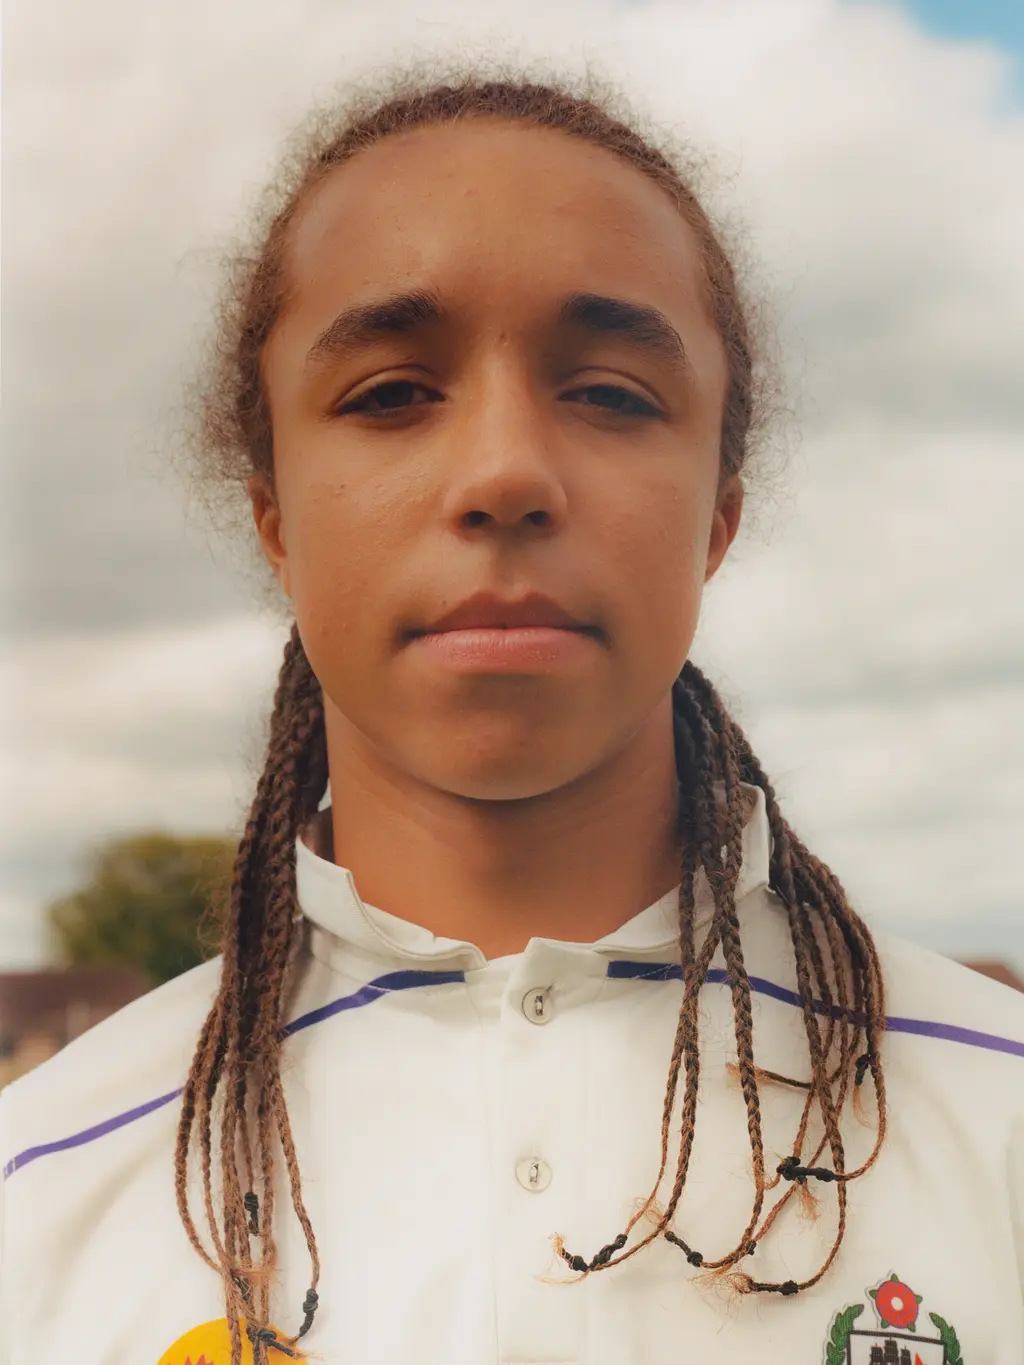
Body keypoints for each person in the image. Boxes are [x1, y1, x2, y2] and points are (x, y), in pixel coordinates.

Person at [1, 67, 1022, 1365]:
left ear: (718, 516)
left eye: (610, 393)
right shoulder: (41, 1192)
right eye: (390, 393)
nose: (504, 473)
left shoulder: (998, 1117)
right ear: (274, 518)